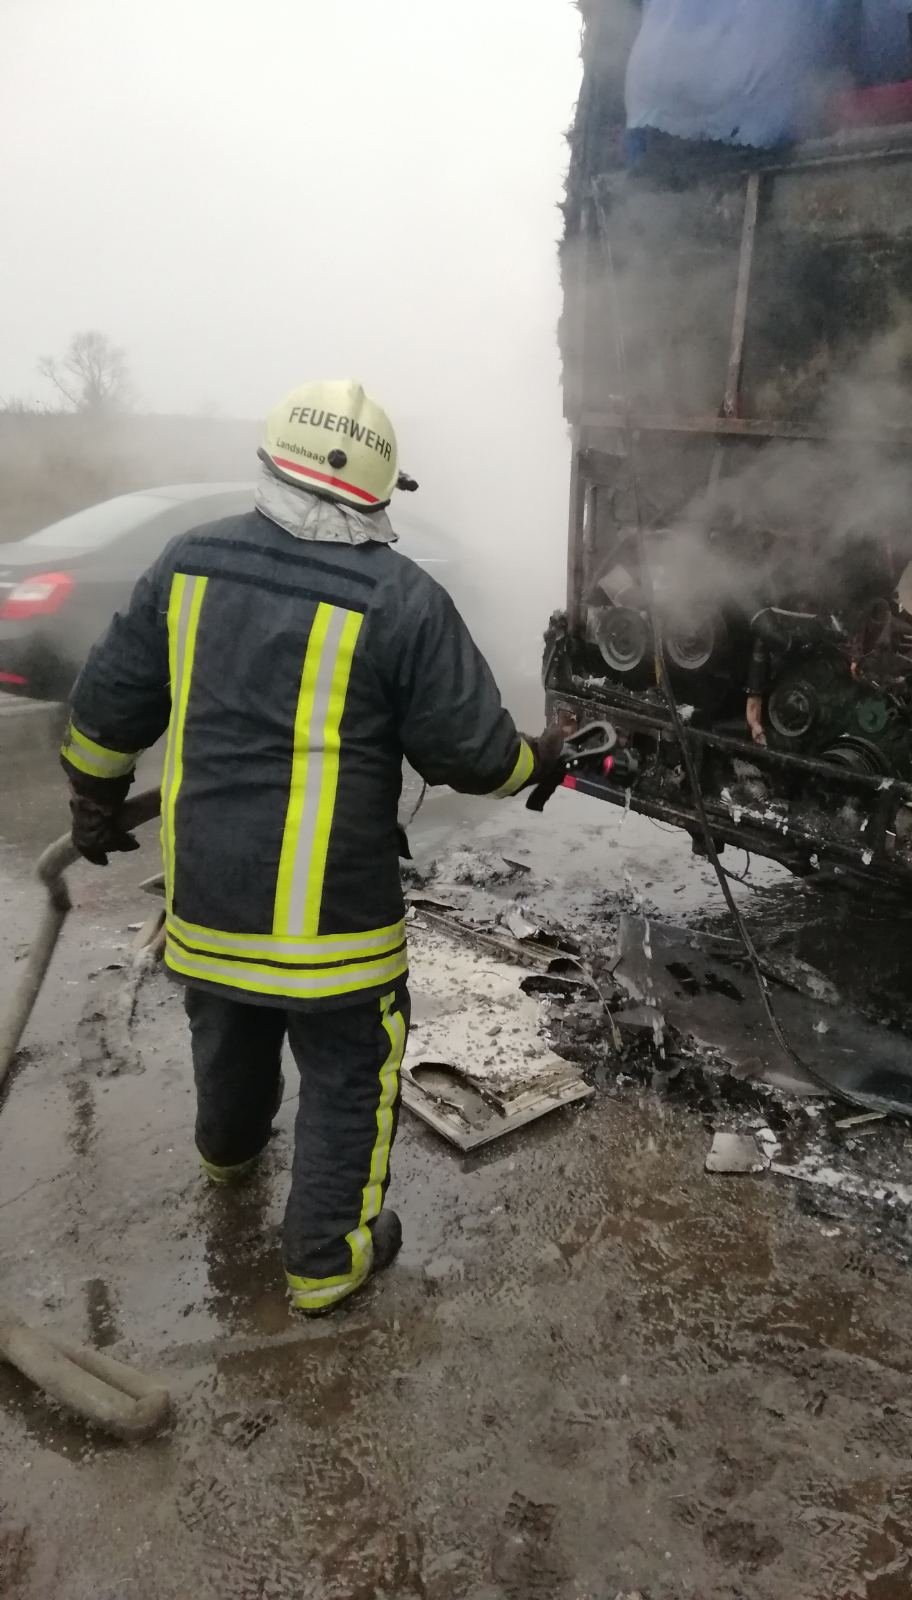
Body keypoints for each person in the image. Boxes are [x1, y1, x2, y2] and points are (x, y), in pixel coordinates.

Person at [60, 380, 562, 1314]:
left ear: (270, 463)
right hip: (335, 920)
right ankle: (328, 1261)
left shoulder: (189, 561)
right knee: (347, 1073)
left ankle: (229, 1156)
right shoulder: (403, 599)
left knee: (230, 1021)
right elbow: (477, 756)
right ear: (380, 489)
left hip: (209, 896)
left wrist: (93, 798)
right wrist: (547, 756)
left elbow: (107, 705)